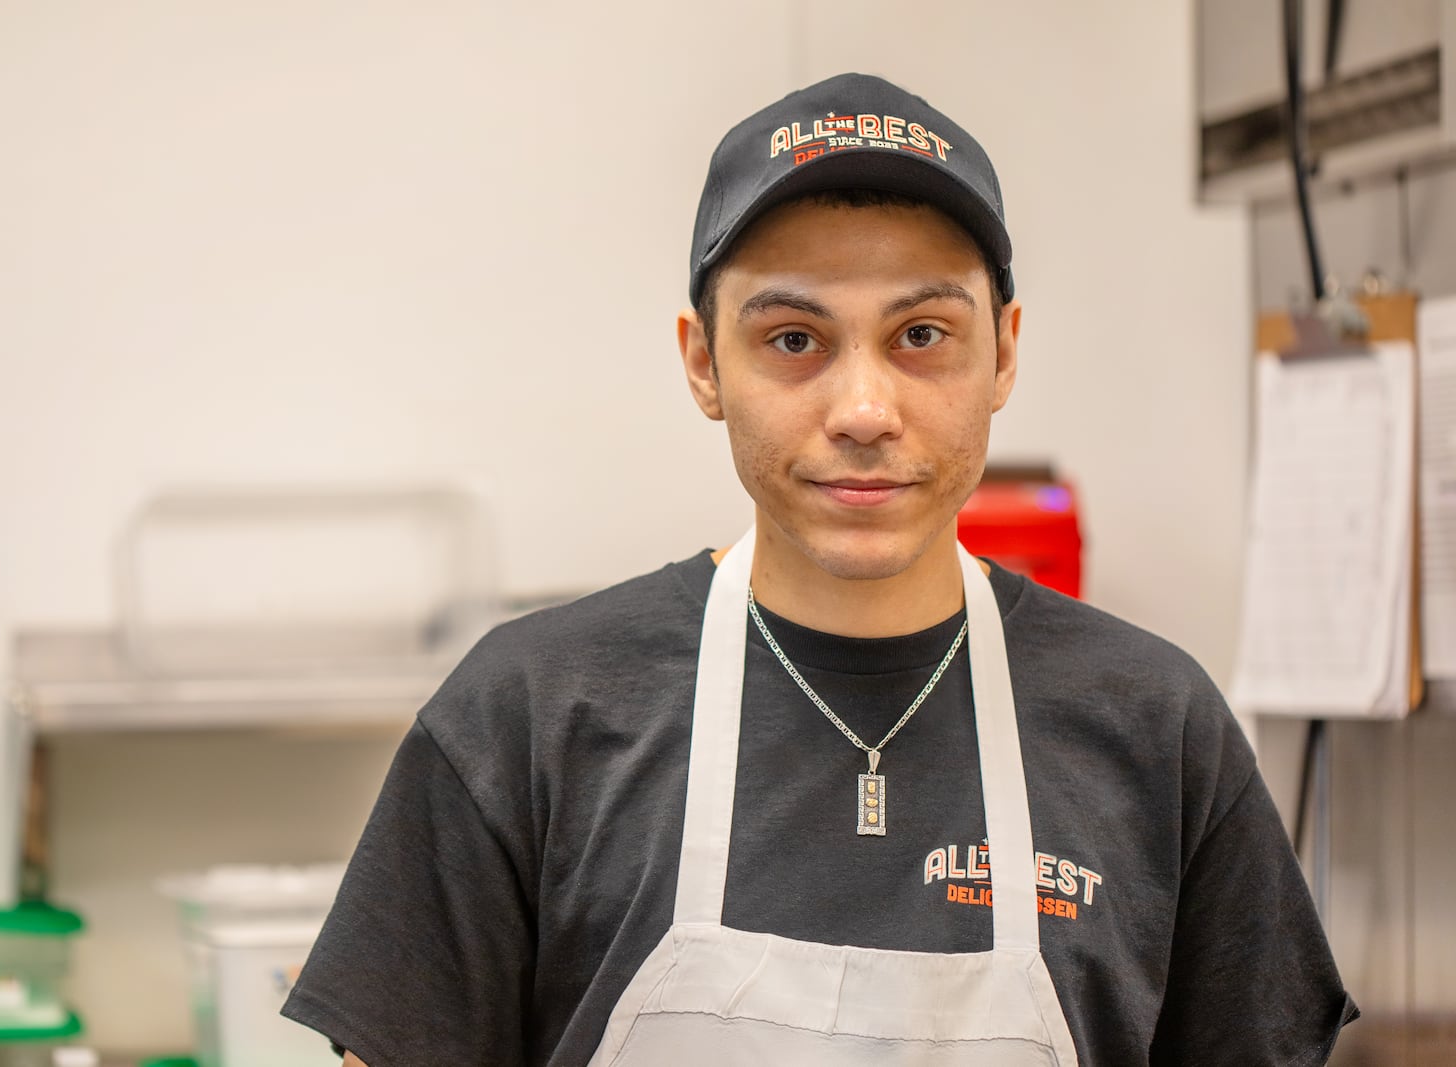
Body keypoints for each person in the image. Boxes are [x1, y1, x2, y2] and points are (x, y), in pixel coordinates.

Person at [282, 72, 1356, 1066]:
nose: (862, 412)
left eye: (922, 334)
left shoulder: (1154, 728)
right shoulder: (526, 715)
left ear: (1005, 353)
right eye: (793, 339)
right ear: (703, 362)